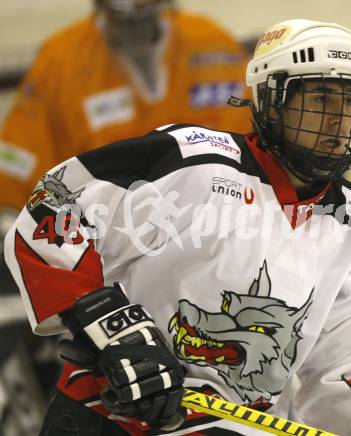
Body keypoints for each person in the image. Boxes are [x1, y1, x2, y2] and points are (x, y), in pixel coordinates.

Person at [4, 18, 351, 435]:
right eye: (321, 99)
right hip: (111, 418)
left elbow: (335, 377)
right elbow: (54, 209)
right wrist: (112, 332)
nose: (338, 120)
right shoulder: (188, 165)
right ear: (271, 101)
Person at [0, 0, 251, 425]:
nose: (134, 19)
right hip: (101, 255)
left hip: (209, 246)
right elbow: (14, 177)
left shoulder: (212, 45)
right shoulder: (63, 59)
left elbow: (257, 157)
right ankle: (32, 398)